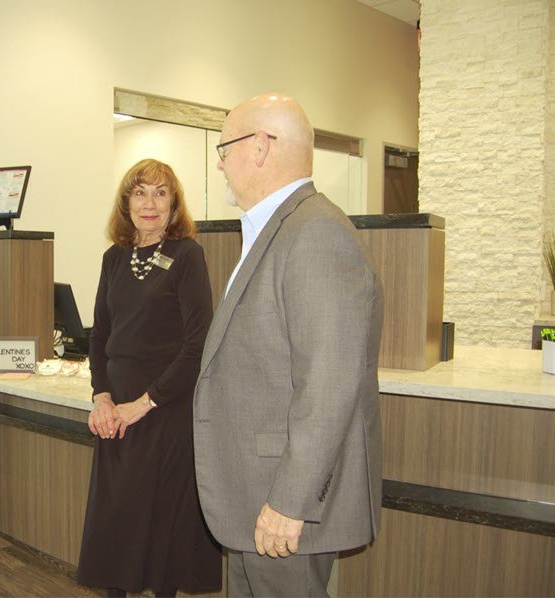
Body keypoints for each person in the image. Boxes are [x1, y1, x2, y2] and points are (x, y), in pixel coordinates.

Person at [192, 94, 384, 597]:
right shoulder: (279, 229)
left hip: (282, 503)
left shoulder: (315, 234)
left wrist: (289, 502)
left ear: (260, 147)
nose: (219, 163)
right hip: (255, 493)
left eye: (224, 148)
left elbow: (329, 385)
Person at [77, 159, 222, 597]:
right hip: (116, 413)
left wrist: (142, 404)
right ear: (126, 202)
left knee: (162, 528)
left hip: (165, 409)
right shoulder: (113, 258)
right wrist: (102, 398)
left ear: (174, 203)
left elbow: (198, 344)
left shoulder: (187, 255)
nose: (150, 203)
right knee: (117, 523)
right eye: (140, 192)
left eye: (161, 193)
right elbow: (99, 335)